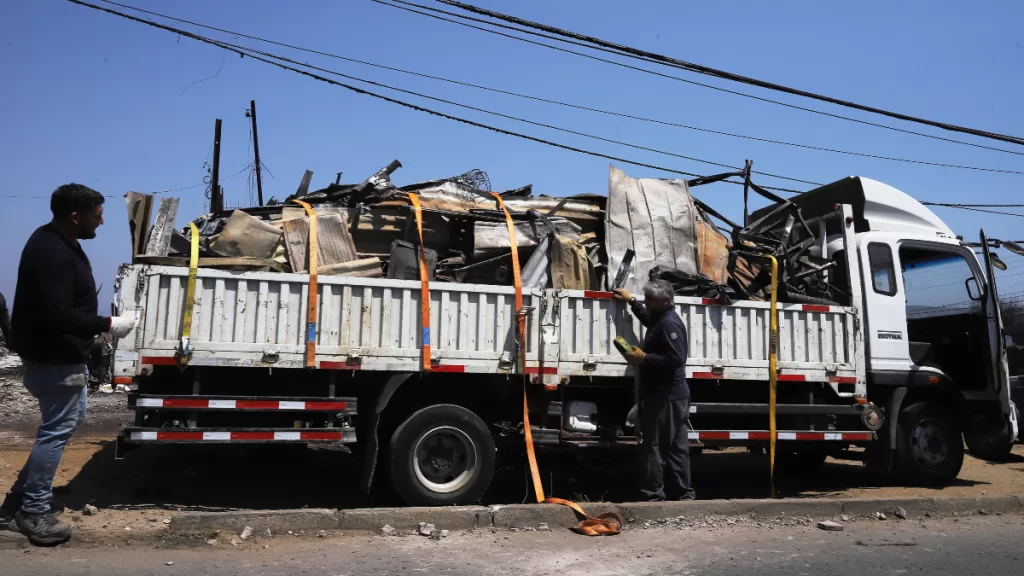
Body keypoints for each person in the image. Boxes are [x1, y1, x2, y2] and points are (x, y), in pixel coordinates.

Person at [0, 184, 136, 546]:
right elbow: (56, 313)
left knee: (63, 425)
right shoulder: (52, 252)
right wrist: (108, 324)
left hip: (54, 355)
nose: (101, 222)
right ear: (75, 215)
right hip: (54, 358)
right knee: (56, 431)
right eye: (97, 214)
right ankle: (33, 512)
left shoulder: (55, 241)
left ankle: (18, 502)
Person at [614, 280, 695, 502]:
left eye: (650, 299)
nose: (646, 302)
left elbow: (676, 359)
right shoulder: (660, 316)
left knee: (653, 447)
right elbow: (648, 318)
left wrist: (644, 358)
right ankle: (683, 496)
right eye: (645, 298)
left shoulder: (669, 324)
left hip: (665, 397)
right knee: (677, 449)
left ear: (665, 300)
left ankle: (652, 498)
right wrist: (632, 301)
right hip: (672, 396)